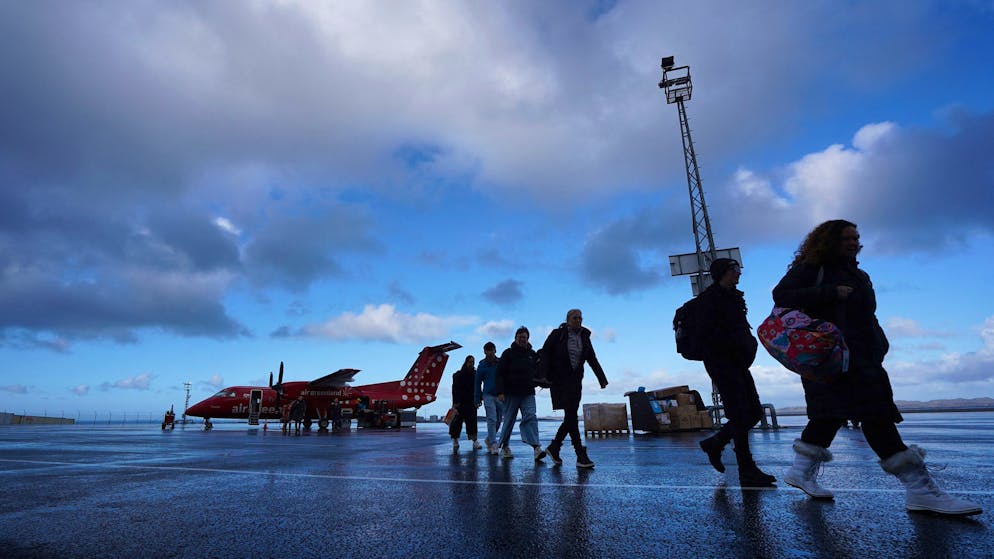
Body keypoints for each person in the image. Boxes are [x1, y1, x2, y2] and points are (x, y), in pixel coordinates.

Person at [773, 219, 981, 516]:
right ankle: (920, 490)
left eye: (856, 237)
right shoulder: (813, 268)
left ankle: (800, 471)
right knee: (876, 417)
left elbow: (866, 316)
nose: (854, 242)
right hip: (832, 357)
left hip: (861, 356)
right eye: (846, 237)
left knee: (828, 416)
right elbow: (781, 296)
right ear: (829, 241)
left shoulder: (859, 274)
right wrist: (830, 292)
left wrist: (879, 344)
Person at [696, 259, 776, 487]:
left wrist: (747, 345)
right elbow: (708, 335)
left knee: (753, 412)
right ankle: (746, 469)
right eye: (734, 270)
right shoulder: (709, 300)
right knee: (740, 413)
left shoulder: (734, 296)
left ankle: (716, 442)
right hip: (722, 363)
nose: (739, 273)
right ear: (722, 273)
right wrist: (734, 345)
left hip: (738, 363)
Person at [539, 309, 608, 469]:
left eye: (580, 318)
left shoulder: (584, 336)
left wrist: (602, 379)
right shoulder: (558, 334)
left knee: (570, 416)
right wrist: (543, 375)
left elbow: (592, 358)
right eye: (575, 318)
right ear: (568, 320)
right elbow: (545, 354)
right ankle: (580, 454)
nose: (578, 320)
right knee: (571, 416)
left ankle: (555, 447)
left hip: (576, 382)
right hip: (560, 381)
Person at [495, 327, 547, 462]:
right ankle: (505, 446)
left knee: (530, 417)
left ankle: (536, 448)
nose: (522, 339)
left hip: (528, 392)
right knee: (509, 420)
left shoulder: (532, 354)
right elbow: (499, 374)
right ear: (515, 338)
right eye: (520, 337)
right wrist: (500, 391)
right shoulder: (508, 354)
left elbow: (538, 371)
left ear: (528, 339)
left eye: (525, 337)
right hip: (511, 393)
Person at [475, 341, 504, 454]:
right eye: (488, 350)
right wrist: (477, 399)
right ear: (484, 352)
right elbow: (477, 383)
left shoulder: (500, 363)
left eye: (492, 350)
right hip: (487, 395)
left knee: (498, 421)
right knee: (491, 419)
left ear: (495, 350)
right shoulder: (482, 366)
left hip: (500, 395)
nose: (490, 352)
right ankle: (493, 444)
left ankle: (488, 439)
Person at [449, 355, 482, 451]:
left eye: (473, 362)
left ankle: (475, 441)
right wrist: (455, 402)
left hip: (471, 402)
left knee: (472, 422)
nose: (471, 364)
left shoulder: (475, 375)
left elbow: (478, 388)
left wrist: (478, 399)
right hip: (460, 402)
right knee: (456, 422)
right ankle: (455, 439)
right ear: (466, 362)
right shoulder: (458, 375)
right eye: (470, 362)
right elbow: (454, 389)